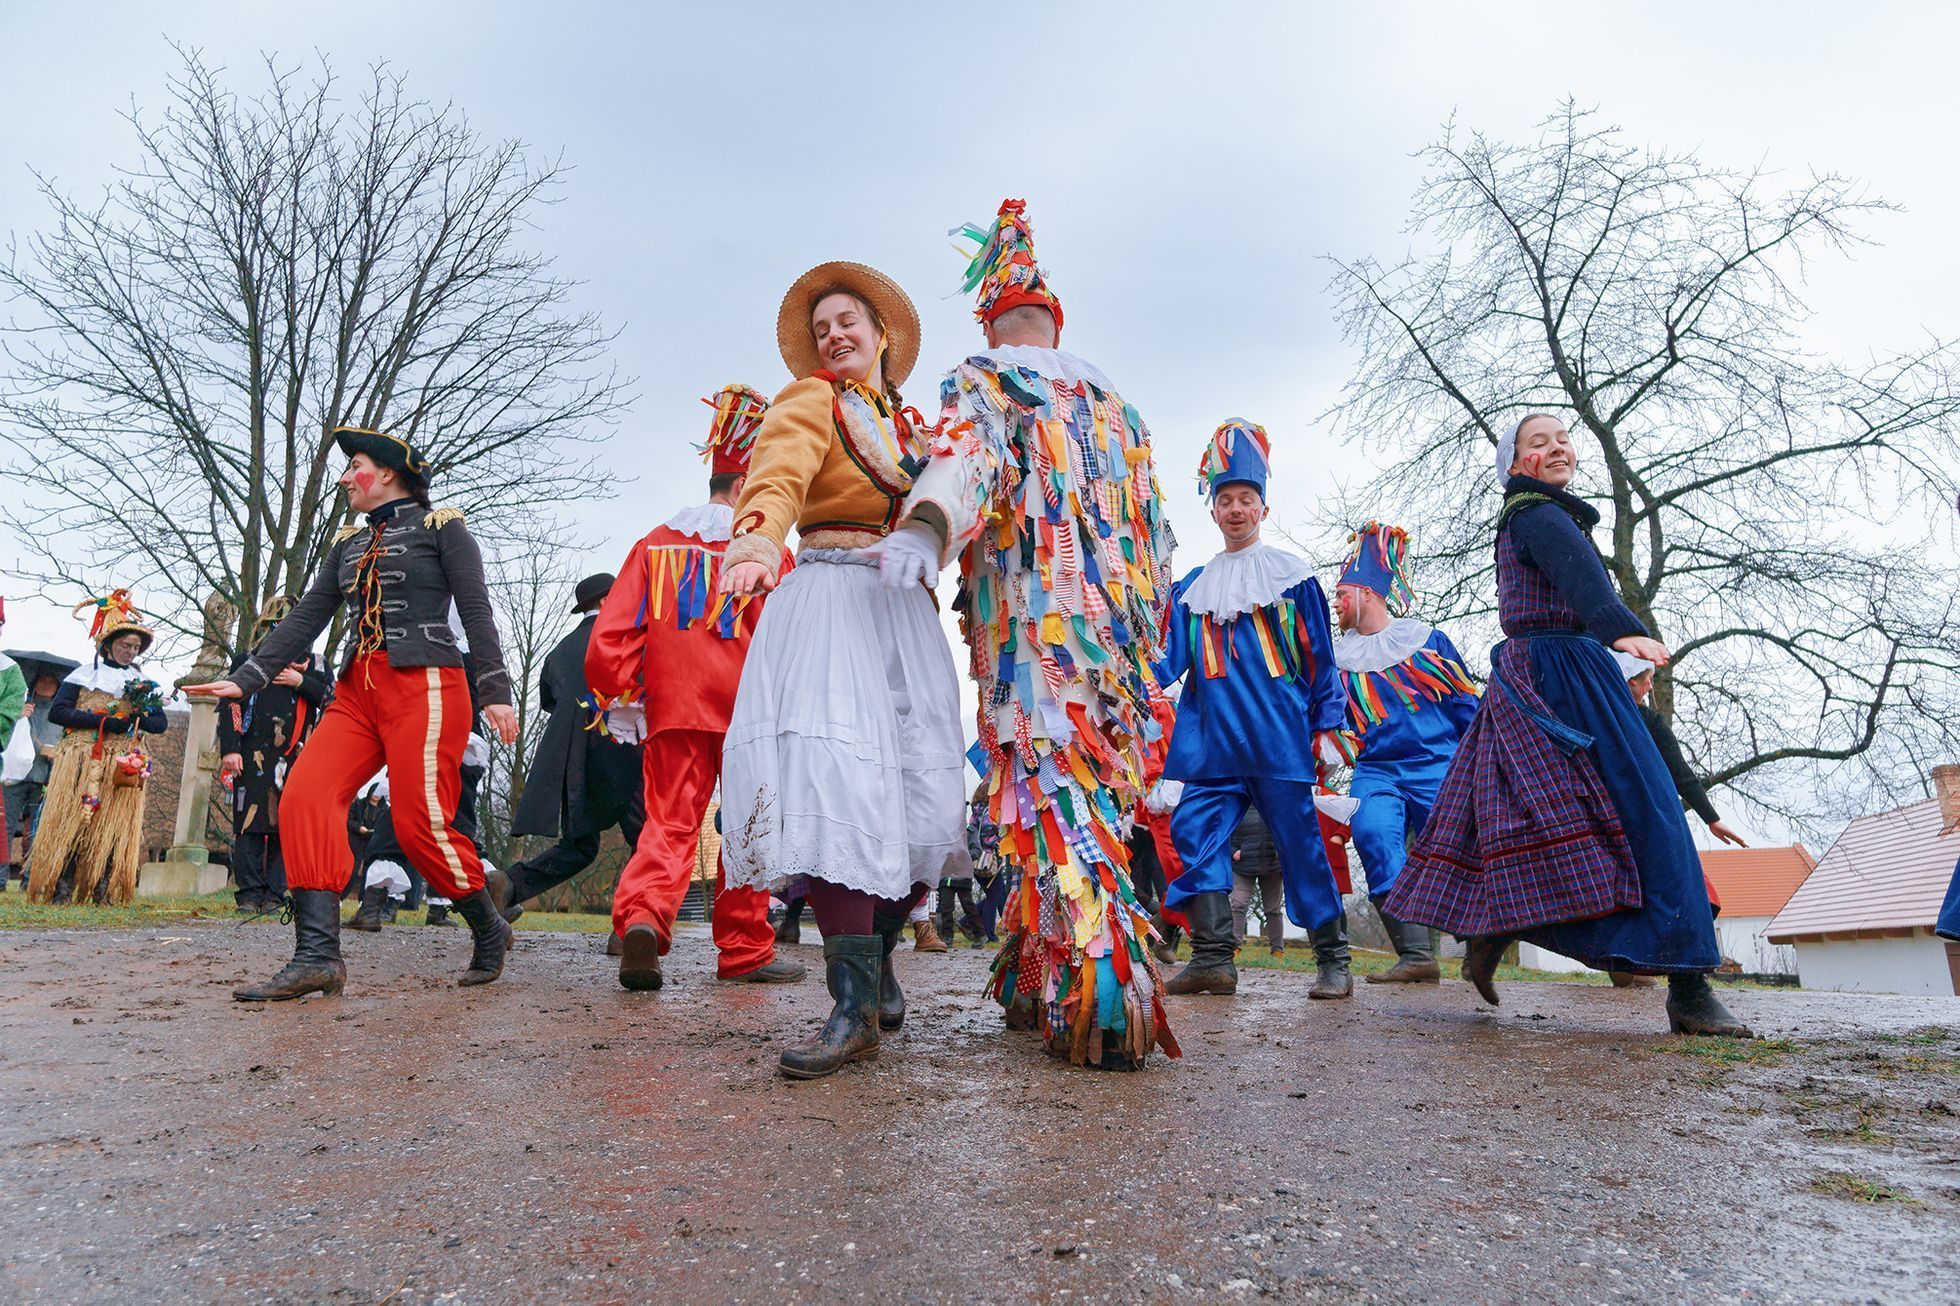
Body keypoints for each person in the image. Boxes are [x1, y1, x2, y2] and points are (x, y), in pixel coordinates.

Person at [890, 199, 1179, 1070]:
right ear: (1056, 320)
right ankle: (1032, 970)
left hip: (1032, 634)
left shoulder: (986, 378)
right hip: (1117, 646)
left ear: (990, 322)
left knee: (1050, 791)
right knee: (1061, 801)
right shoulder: (1118, 405)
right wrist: (1145, 639)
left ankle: (1106, 996)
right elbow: (1155, 536)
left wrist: (927, 526)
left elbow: (967, 463)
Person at [1383, 413, 1749, 1038]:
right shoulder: (1536, 514)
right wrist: (1620, 627)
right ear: (1516, 464)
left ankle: (1493, 928)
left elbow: (1574, 578)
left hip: (1543, 673)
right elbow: (1582, 581)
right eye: (1538, 442)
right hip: (1562, 674)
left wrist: (1609, 633)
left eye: (1562, 438)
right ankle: (1688, 988)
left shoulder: (1539, 515)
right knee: (1648, 814)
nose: (1556, 447)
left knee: (1525, 816)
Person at [718, 260, 966, 1079]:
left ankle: (880, 956)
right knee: (836, 791)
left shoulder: (918, 435)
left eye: (847, 321)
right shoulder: (810, 400)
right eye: (821, 327)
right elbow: (779, 471)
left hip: (902, 613)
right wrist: (758, 538)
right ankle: (852, 1006)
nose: (833, 336)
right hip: (829, 601)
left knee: (916, 801)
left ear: (882, 334)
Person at [187, 425, 519, 1002]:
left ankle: (488, 925)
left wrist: (494, 688)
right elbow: (305, 619)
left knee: (419, 825)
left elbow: (476, 609)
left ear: (387, 473)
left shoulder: (443, 528)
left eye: (354, 466)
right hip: (358, 688)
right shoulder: (347, 544)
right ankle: (318, 956)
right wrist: (248, 678)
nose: (345, 478)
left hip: (428, 683)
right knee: (304, 796)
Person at [586, 385, 806, 990]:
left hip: (675, 706)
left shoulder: (656, 543)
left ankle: (643, 917)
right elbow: (790, 641)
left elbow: (610, 636)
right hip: (750, 714)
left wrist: (623, 695)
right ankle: (744, 949)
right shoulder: (771, 553)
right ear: (747, 486)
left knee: (669, 822)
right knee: (749, 827)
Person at [1158, 422, 1347, 999]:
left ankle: (1333, 960)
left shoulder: (1294, 579)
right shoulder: (1191, 588)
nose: (1236, 509)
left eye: (1246, 499)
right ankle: (1214, 958)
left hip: (1277, 738)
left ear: (1264, 507)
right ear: (1213, 510)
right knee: (1194, 830)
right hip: (1211, 741)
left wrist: (1327, 725)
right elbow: (1167, 662)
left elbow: (1321, 657)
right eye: (1226, 500)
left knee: (1300, 844)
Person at [1326, 522, 1481, 987]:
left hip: (1441, 762)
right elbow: (1329, 721)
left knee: (1462, 848)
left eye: (1341, 594)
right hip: (1376, 770)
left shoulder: (1427, 641)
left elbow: (1466, 705)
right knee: (1373, 832)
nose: (1336, 604)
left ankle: (1480, 948)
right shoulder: (1337, 661)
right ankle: (1416, 955)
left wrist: (1479, 765)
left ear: (1367, 594)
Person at [487, 572, 646, 928]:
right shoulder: (627, 637)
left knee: (579, 847)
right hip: (622, 749)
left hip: (572, 761)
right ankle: (632, 926)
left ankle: (509, 884)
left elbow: (549, 700)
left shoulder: (559, 651)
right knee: (647, 840)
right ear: (606, 601)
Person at [25, 591, 169, 905]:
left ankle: (102, 890)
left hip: (122, 764)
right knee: (75, 820)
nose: (130, 651)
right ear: (108, 645)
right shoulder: (83, 675)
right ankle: (61, 889)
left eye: (135, 647)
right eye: (125, 645)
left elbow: (160, 723)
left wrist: (138, 717)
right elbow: (58, 712)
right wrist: (102, 721)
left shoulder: (142, 682)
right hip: (82, 759)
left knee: (112, 826)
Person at [217, 599, 333, 915]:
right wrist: (230, 748)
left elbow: (334, 701)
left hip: (301, 755)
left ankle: (275, 894)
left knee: (289, 825)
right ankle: (249, 894)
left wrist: (301, 682)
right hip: (252, 753)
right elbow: (231, 704)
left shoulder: (318, 666)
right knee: (250, 823)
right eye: (278, 626)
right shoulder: (248, 660)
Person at [3, 668, 65, 891]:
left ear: (58, 686)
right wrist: (18, 716)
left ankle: (30, 880)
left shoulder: (60, 714)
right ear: (34, 682)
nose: (47, 684)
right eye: (42, 680)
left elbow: (67, 744)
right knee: (5, 828)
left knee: (38, 831)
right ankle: (0, 879)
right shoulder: (20, 706)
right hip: (14, 777)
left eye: (52, 681)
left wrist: (57, 754)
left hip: (45, 779)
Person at [1228, 805, 1285, 956]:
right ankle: (1234, 948)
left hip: (1272, 866)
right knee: (1238, 905)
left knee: (1273, 909)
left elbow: (1288, 831)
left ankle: (1277, 950)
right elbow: (1224, 832)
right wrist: (1233, 852)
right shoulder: (1237, 805)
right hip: (1243, 866)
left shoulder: (1276, 805)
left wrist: (1282, 851)